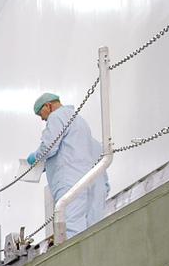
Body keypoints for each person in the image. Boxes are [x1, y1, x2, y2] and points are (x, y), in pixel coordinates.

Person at [27, 93, 110, 238]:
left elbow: (49, 146)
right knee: (93, 227)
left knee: (72, 225)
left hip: (69, 180)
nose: (42, 118)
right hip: (89, 180)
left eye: (41, 114)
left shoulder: (56, 117)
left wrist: (36, 157)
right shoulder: (79, 121)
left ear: (48, 106)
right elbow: (78, 150)